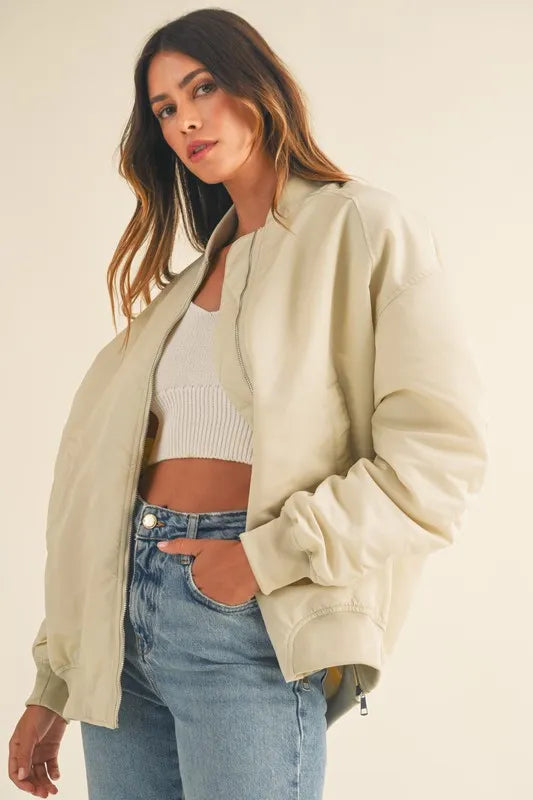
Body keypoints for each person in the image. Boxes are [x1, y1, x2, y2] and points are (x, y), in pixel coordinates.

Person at [8, 8, 489, 800]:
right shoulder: (189, 284)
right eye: (165, 108)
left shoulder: (361, 226)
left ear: (259, 87)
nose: (186, 120)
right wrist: (55, 678)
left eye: (202, 88)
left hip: (244, 617)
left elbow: (437, 463)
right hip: (118, 632)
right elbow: (96, 490)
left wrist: (258, 560)